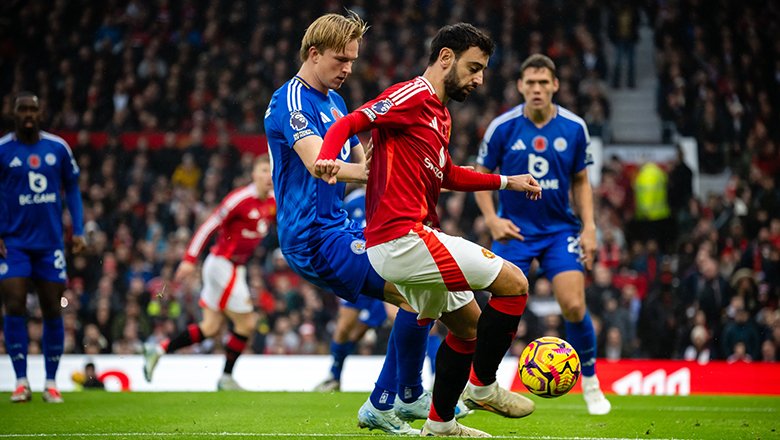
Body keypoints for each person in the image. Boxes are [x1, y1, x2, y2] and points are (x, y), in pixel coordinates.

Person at [317, 23, 542, 437]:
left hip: (410, 238)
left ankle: (440, 424)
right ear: (445, 58)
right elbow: (349, 122)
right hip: (401, 238)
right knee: (514, 282)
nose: (478, 80)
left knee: (469, 327)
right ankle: (483, 386)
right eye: (474, 68)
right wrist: (328, 159)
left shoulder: (440, 114)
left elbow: (449, 174)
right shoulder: (412, 95)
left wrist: (508, 181)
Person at [264, 12, 463, 435]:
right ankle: (398, 397)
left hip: (342, 228)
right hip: (313, 237)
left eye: (353, 60)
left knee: (422, 290)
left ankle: (398, 398)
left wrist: (384, 165)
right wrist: (395, 171)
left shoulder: (335, 103)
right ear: (313, 54)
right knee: (416, 291)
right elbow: (323, 165)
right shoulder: (291, 102)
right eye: (341, 60)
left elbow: (361, 162)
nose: (349, 69)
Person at [472, 54, 611, 415]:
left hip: (558, 231)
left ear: (555, 85)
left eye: (543, 82)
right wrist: (492, 220)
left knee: (574, 304)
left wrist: (590, 228)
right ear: (520, 86)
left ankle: (592, 383)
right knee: (496, 312)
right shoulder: (502, 127)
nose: (536, 89)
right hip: (515, 231)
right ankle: (481, 384)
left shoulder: (574, 127)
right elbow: (480, 176)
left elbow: (581, 181)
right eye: (530, 83)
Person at [143, 155, 275, 391]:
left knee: (211, 327)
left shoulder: (274, 201)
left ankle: (159, 349)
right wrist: (189, 259)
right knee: (247, 323)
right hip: (223, 265)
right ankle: (225, 377)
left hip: (235, 268)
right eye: (263, 170)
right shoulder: (239, 199)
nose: (268, 176)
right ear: (253, 174)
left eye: (271, 171)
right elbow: (208, 226)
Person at [0, 92, 86, 403]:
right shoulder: (2, 150)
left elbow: (73, 187)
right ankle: (21, 381)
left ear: (40, 113)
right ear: (13, 113)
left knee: (52, 308)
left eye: (32, 110)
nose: (28, 114)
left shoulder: (57, 148)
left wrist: (79, 230)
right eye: (22, 109)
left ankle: (51, 382)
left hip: (50, 245)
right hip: (14, 243)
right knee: (14, 304)